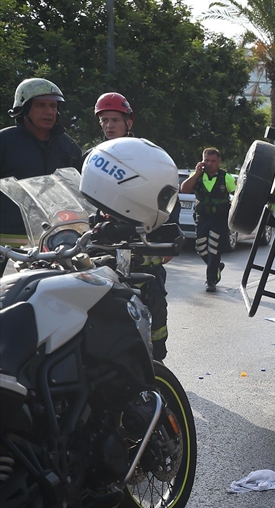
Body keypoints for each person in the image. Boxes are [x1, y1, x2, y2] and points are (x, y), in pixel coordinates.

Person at [93, 92, 173, 358]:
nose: (109, 125)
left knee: (154, 313)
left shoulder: (143, 155)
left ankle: (156, 366)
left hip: (143, 251)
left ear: (128, 122)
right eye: (104, 120)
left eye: (115, 120)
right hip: (105, 250)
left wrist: (169, 234)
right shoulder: (94, 158)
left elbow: (165, 196)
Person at [0, 78, 83, 247]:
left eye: (53, 106)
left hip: (59, 243)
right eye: (40, 105)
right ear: (24, 109)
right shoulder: (4, 142)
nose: (49, 112)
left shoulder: (68, 146)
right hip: (8, 247)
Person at [180, 148, 237, 292]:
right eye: (206, 160)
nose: (209, 163)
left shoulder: (226, 177)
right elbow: (184, 189)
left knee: (214, 248)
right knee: (200, 247)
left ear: (219, 162)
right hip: (202, 217)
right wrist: (196, 174)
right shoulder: (197, 176)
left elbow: (237, 194)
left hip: (220, 218)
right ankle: (216, 266)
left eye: (213, 161)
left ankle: (211, 281)